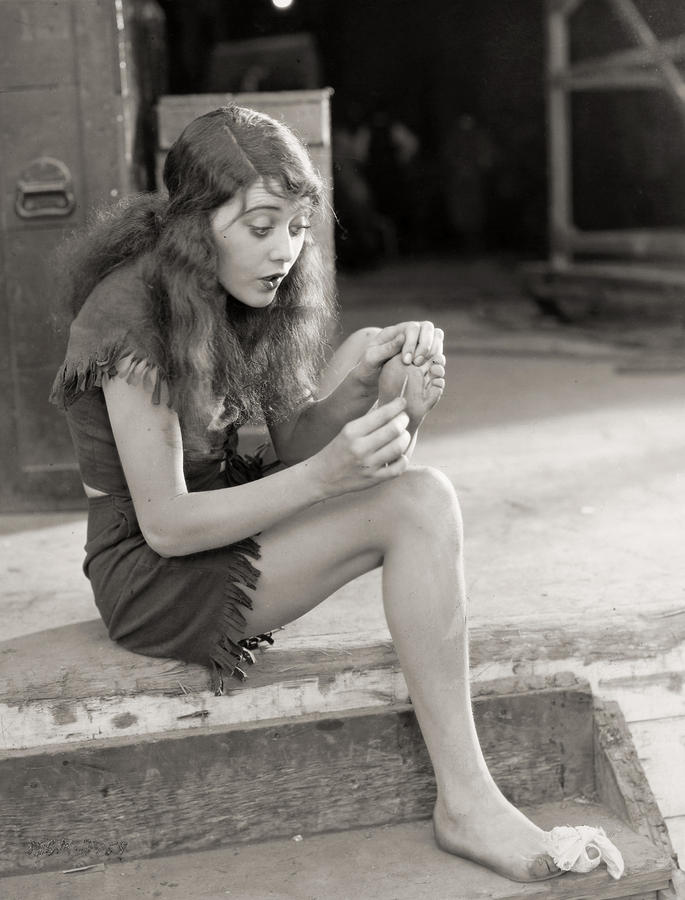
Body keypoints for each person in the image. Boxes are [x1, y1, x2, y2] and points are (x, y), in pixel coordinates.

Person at [50, 105, 588, 883]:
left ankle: (467, 801)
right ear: (197, 224)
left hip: (218, 515)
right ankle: (465, 803)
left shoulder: (247, 288)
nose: (285, 249)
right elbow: (166, 525)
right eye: (262, 225)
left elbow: (293, 449)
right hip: (149, 571)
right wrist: (326, 476)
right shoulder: (130, 319)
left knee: (417, 497)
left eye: (297, 225)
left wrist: (365, 393)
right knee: (415, 504)